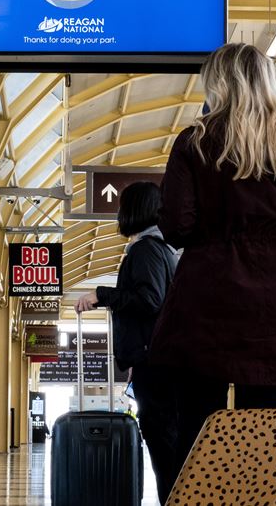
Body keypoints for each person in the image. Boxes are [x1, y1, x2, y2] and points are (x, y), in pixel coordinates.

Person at [149, 43, 276, 466]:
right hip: (274, 308)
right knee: (266, 437)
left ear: (217, 84)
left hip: (204, 302)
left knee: (197, 435)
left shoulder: (193, 142)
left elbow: (176, 227)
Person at [74, 181, 180, 501]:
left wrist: (100, 295)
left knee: (164, 448)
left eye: (123, 207)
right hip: (156, 361)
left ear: (137, 209)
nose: (120, 214)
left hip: (157, 366)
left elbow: (151, 300)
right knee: (167, 447)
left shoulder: (147, 249)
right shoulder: (162, 248)